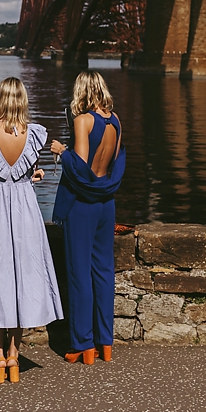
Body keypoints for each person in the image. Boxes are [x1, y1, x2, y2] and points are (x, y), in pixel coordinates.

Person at [0, 77, 63, 384]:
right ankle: (13, 355)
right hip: (24, 207)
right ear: (23, 100)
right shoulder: (35, 133)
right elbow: (25, 168)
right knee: (22, 278)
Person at [49, 71, 125, 365]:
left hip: (82, 205)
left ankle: (83, 346)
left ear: (81, 91)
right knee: (104, 271)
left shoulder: (83, 121)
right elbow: (114, 161)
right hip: (106, 203)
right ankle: (105, 343)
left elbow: (81, 168)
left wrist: (61, 150)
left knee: (79, 274)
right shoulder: (115, 120)